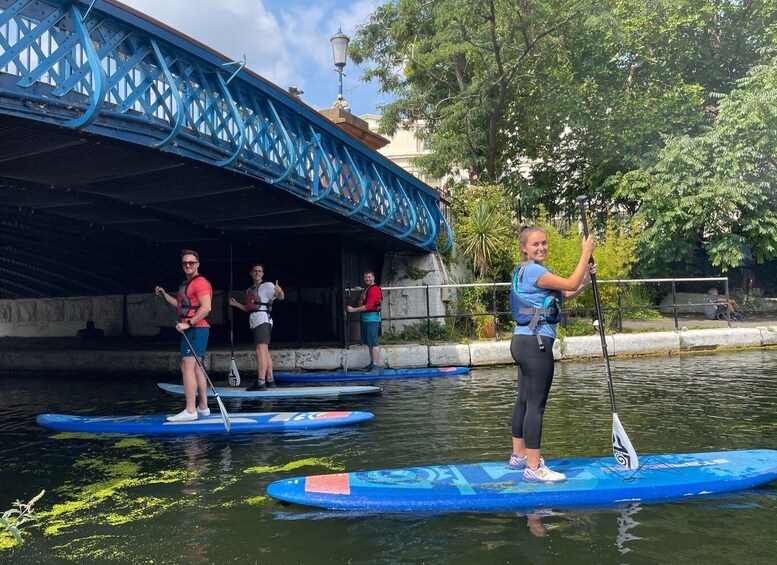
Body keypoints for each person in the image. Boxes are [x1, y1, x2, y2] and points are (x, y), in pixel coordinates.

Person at [508, 225, 595, 483]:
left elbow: (566, 292)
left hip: (522, 341)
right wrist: (585, 252)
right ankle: (534, 468)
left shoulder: (525, 271)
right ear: (524, 247)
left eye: (544, 243)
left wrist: (587, 280)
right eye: (535, 244)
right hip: (536, 344)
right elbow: (569, 281)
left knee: (524, 399)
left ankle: (519, 455)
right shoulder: (534, 270)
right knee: (536, 405)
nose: (541, 247)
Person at [155, 250, 213, 422]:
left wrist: (188, 324)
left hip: (195, 329)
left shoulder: (199, 282)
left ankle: (190, 410)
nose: (188, 265)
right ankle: (203, 407)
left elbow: (206, 307)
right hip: (195, 329)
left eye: (191, 263)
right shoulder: (187, 284)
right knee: (196, 368)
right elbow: (181, 307)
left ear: (198, 264)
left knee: (186, 366)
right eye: (185, 263)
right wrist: (165, 295)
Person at [229, 263, 284, 391]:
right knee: (264, 352)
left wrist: (279, 291)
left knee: (260, 351)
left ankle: (260, 382)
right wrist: (236, 304)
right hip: (255, 320)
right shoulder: (249, 290)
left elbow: (280, 297)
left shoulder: (268, 286)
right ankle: (270, 380)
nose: (257, 273)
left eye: (260, 271)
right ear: (251, 273)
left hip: (262, 320)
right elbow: (249, 308)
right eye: (255, 271)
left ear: (263, 274)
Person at [347, 269, 383, 372]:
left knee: (373, 342)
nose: (367, 279)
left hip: (372, 319)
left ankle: (375, 366)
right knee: (369, 342)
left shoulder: (374, 289)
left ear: (373, 278)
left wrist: (353, 310)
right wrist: (361, 289)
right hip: (367, 319)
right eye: (366, 277)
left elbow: (368, 306)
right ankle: (372, 363)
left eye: (369, 277)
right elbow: (366, 293)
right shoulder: (368, 288)